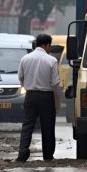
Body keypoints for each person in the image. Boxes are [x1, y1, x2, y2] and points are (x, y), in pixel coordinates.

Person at [16, 33, 61, 162]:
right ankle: (47, 155)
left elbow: (20, 78)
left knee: (27, 125)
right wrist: (57, 101)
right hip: (46, 97)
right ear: (47, 45)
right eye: (49, 46)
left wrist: (28, 88)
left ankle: (22, 154)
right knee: (47, 127)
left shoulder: (25, 58)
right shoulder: (51, 60)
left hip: (30, 96)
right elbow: (54, 83)